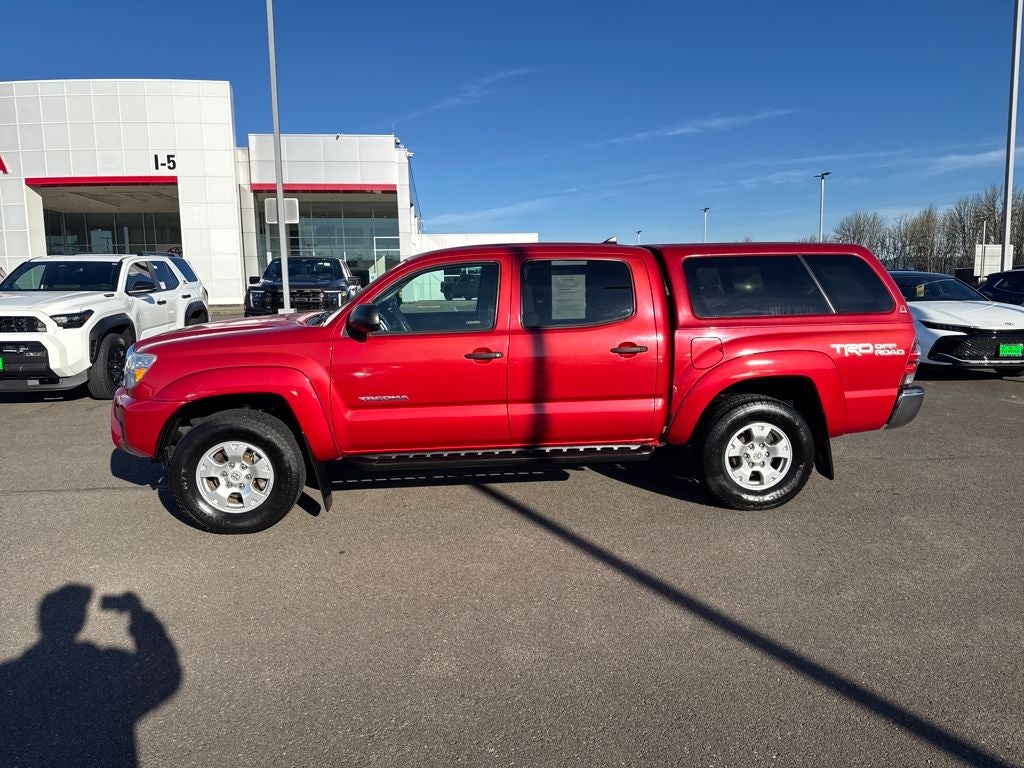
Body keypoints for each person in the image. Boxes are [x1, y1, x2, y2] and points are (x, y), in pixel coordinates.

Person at [0, 584, 181, 768]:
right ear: (80, 621)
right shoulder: (106, 670)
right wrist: (139, 616)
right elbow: (163, 673)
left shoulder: (8, 679)